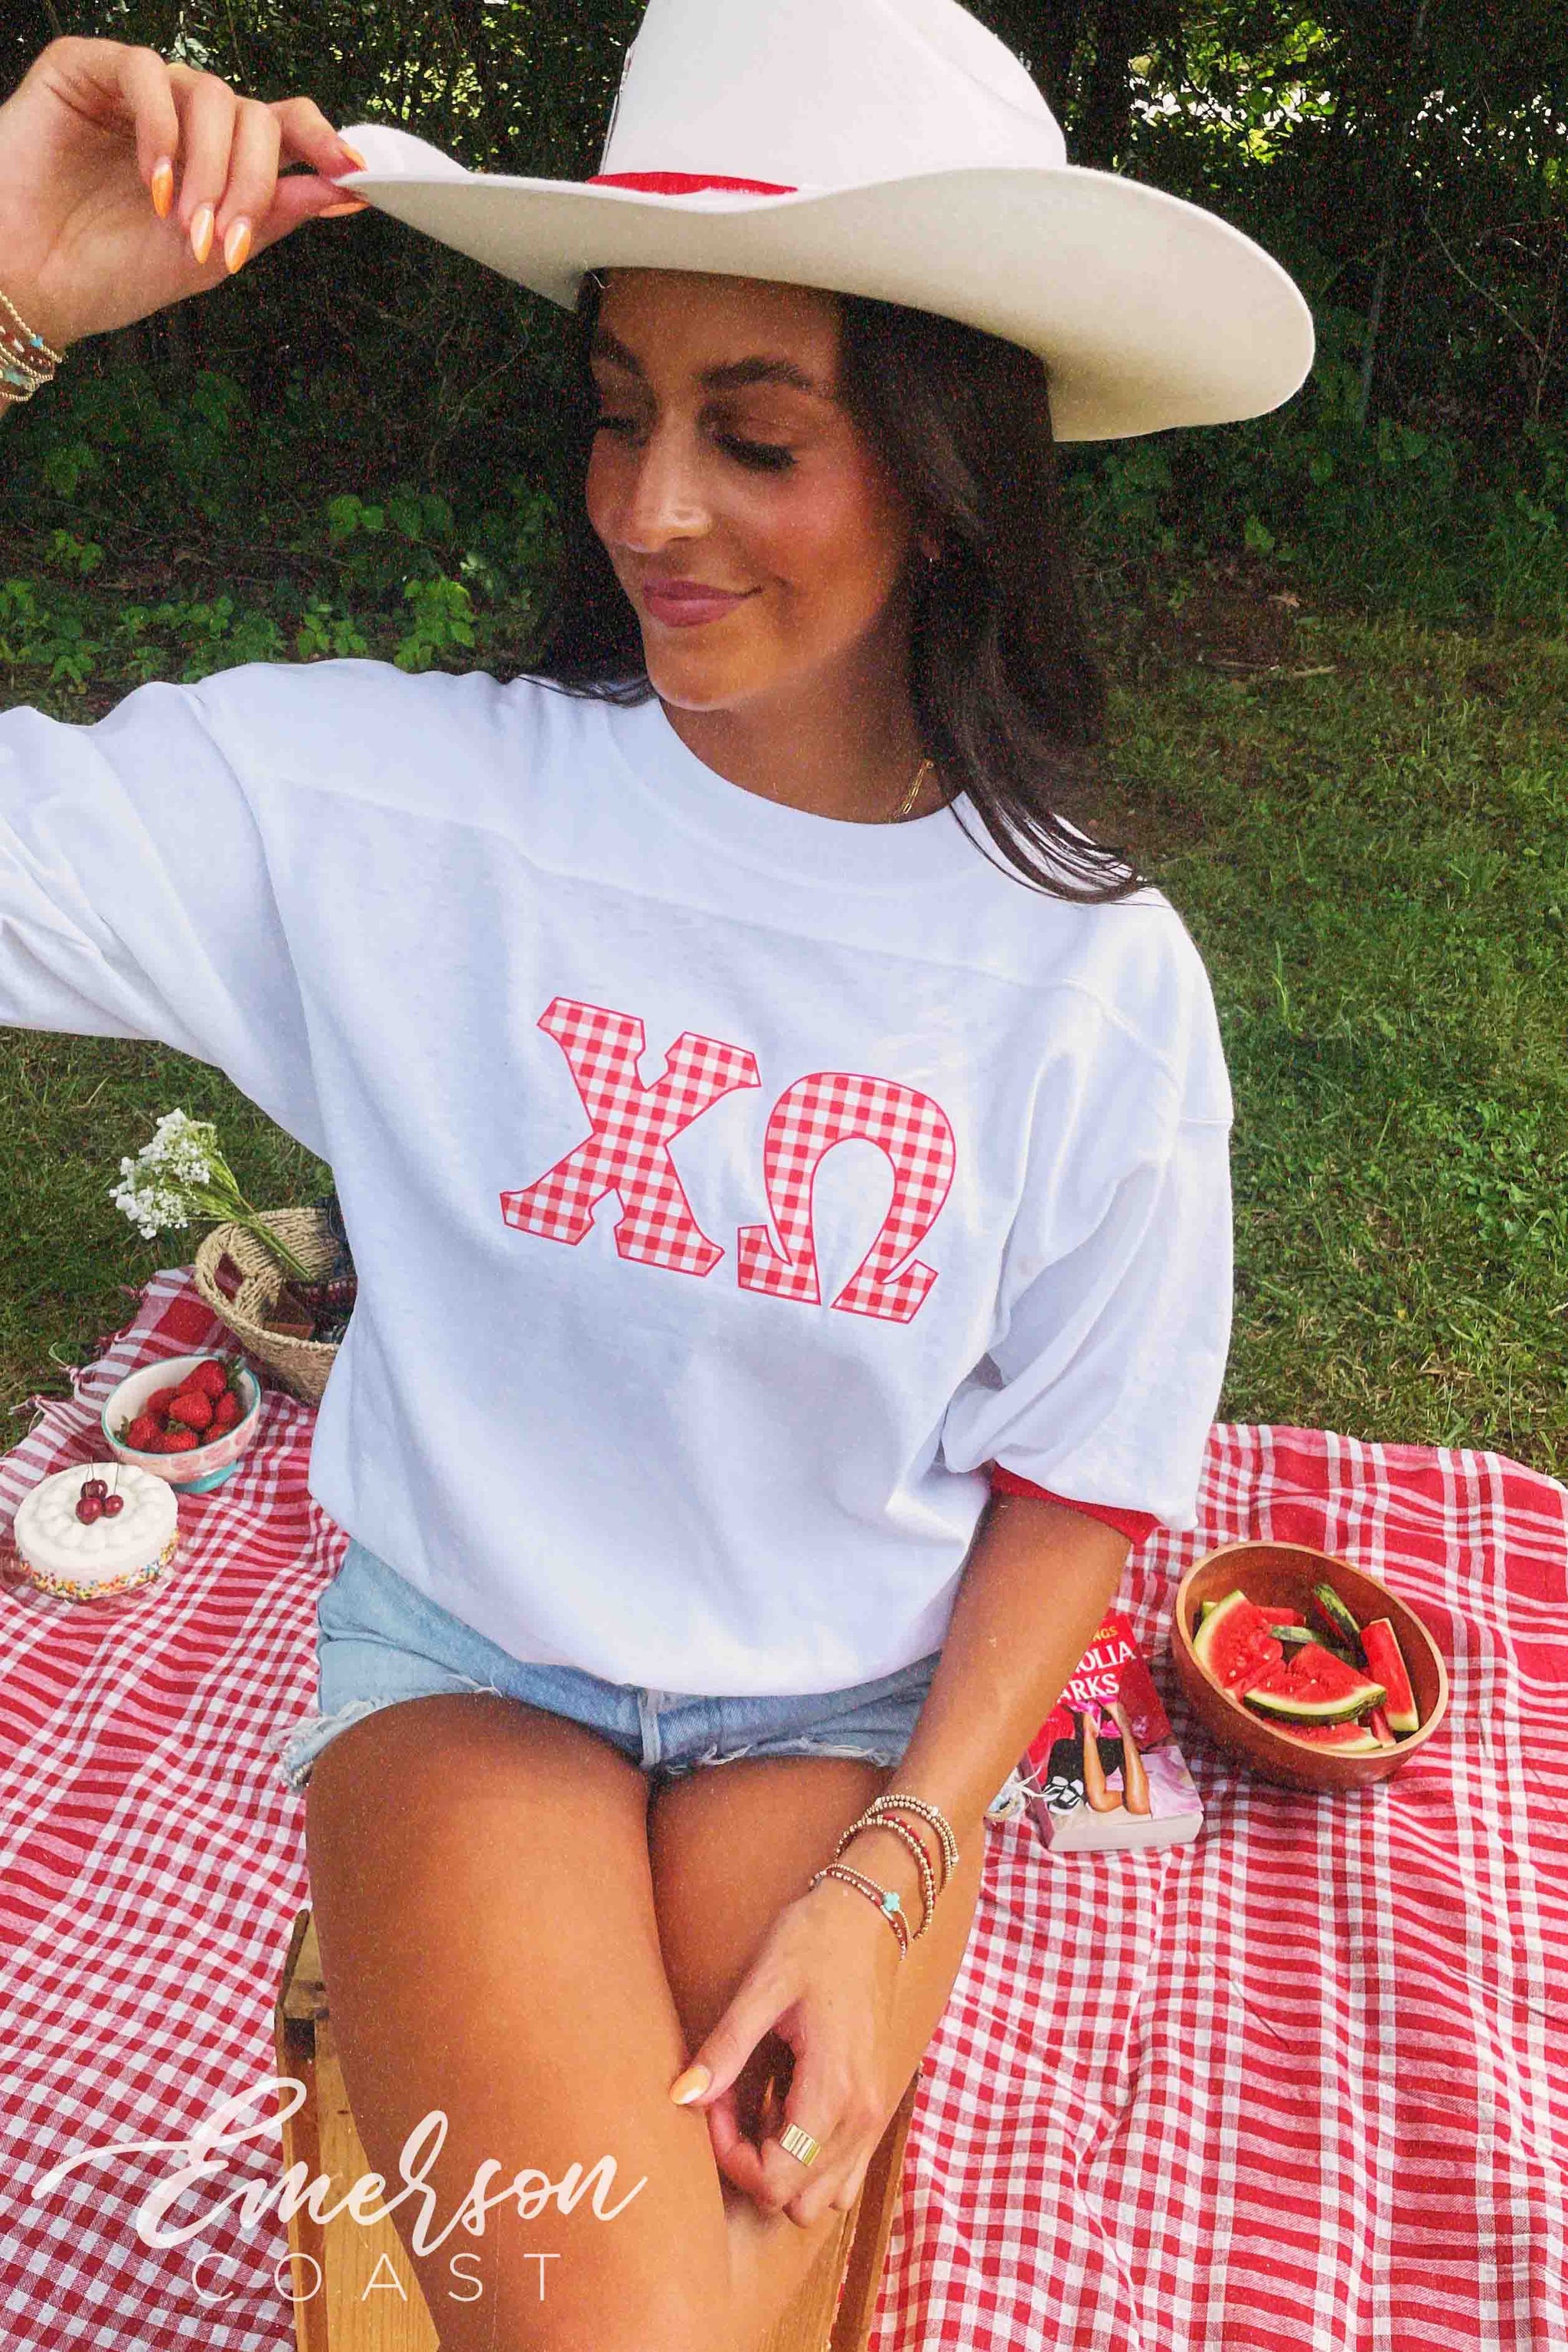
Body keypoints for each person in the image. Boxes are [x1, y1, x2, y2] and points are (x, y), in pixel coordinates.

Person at [0, 4, 1312, 2347]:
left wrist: (902, 1876)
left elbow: (1084, 1465)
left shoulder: (1092, 985)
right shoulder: (385, 820)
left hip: (840, 1719)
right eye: (623, 412)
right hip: (468, 1669)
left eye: (756, 432)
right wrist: (2, 299)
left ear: (948, 472)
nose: (650, 510)